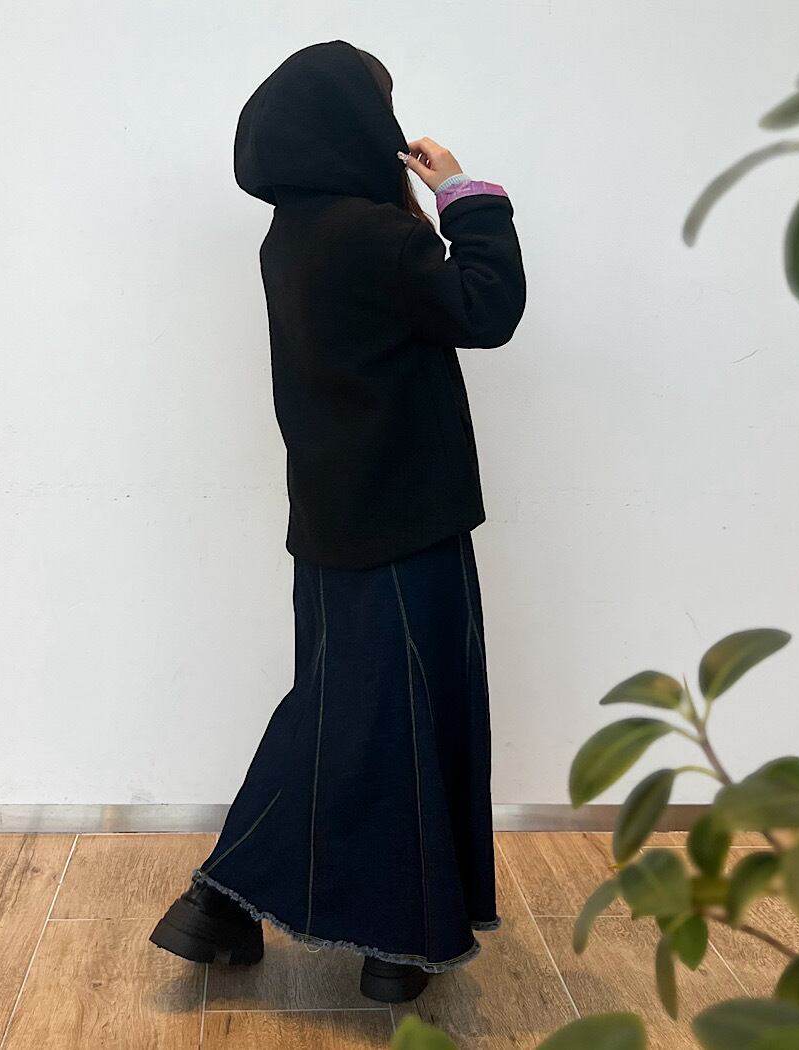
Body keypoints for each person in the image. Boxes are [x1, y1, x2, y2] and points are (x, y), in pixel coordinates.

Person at [150, 39, 525, 1004]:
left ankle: (251, 912)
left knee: (348, 709)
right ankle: (323, 923)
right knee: (386, 718)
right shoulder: (377, 237)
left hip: (330, 516)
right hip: (407, 519)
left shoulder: (291, 238)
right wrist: (466, 194)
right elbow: (487, 308)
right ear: (355, 125)